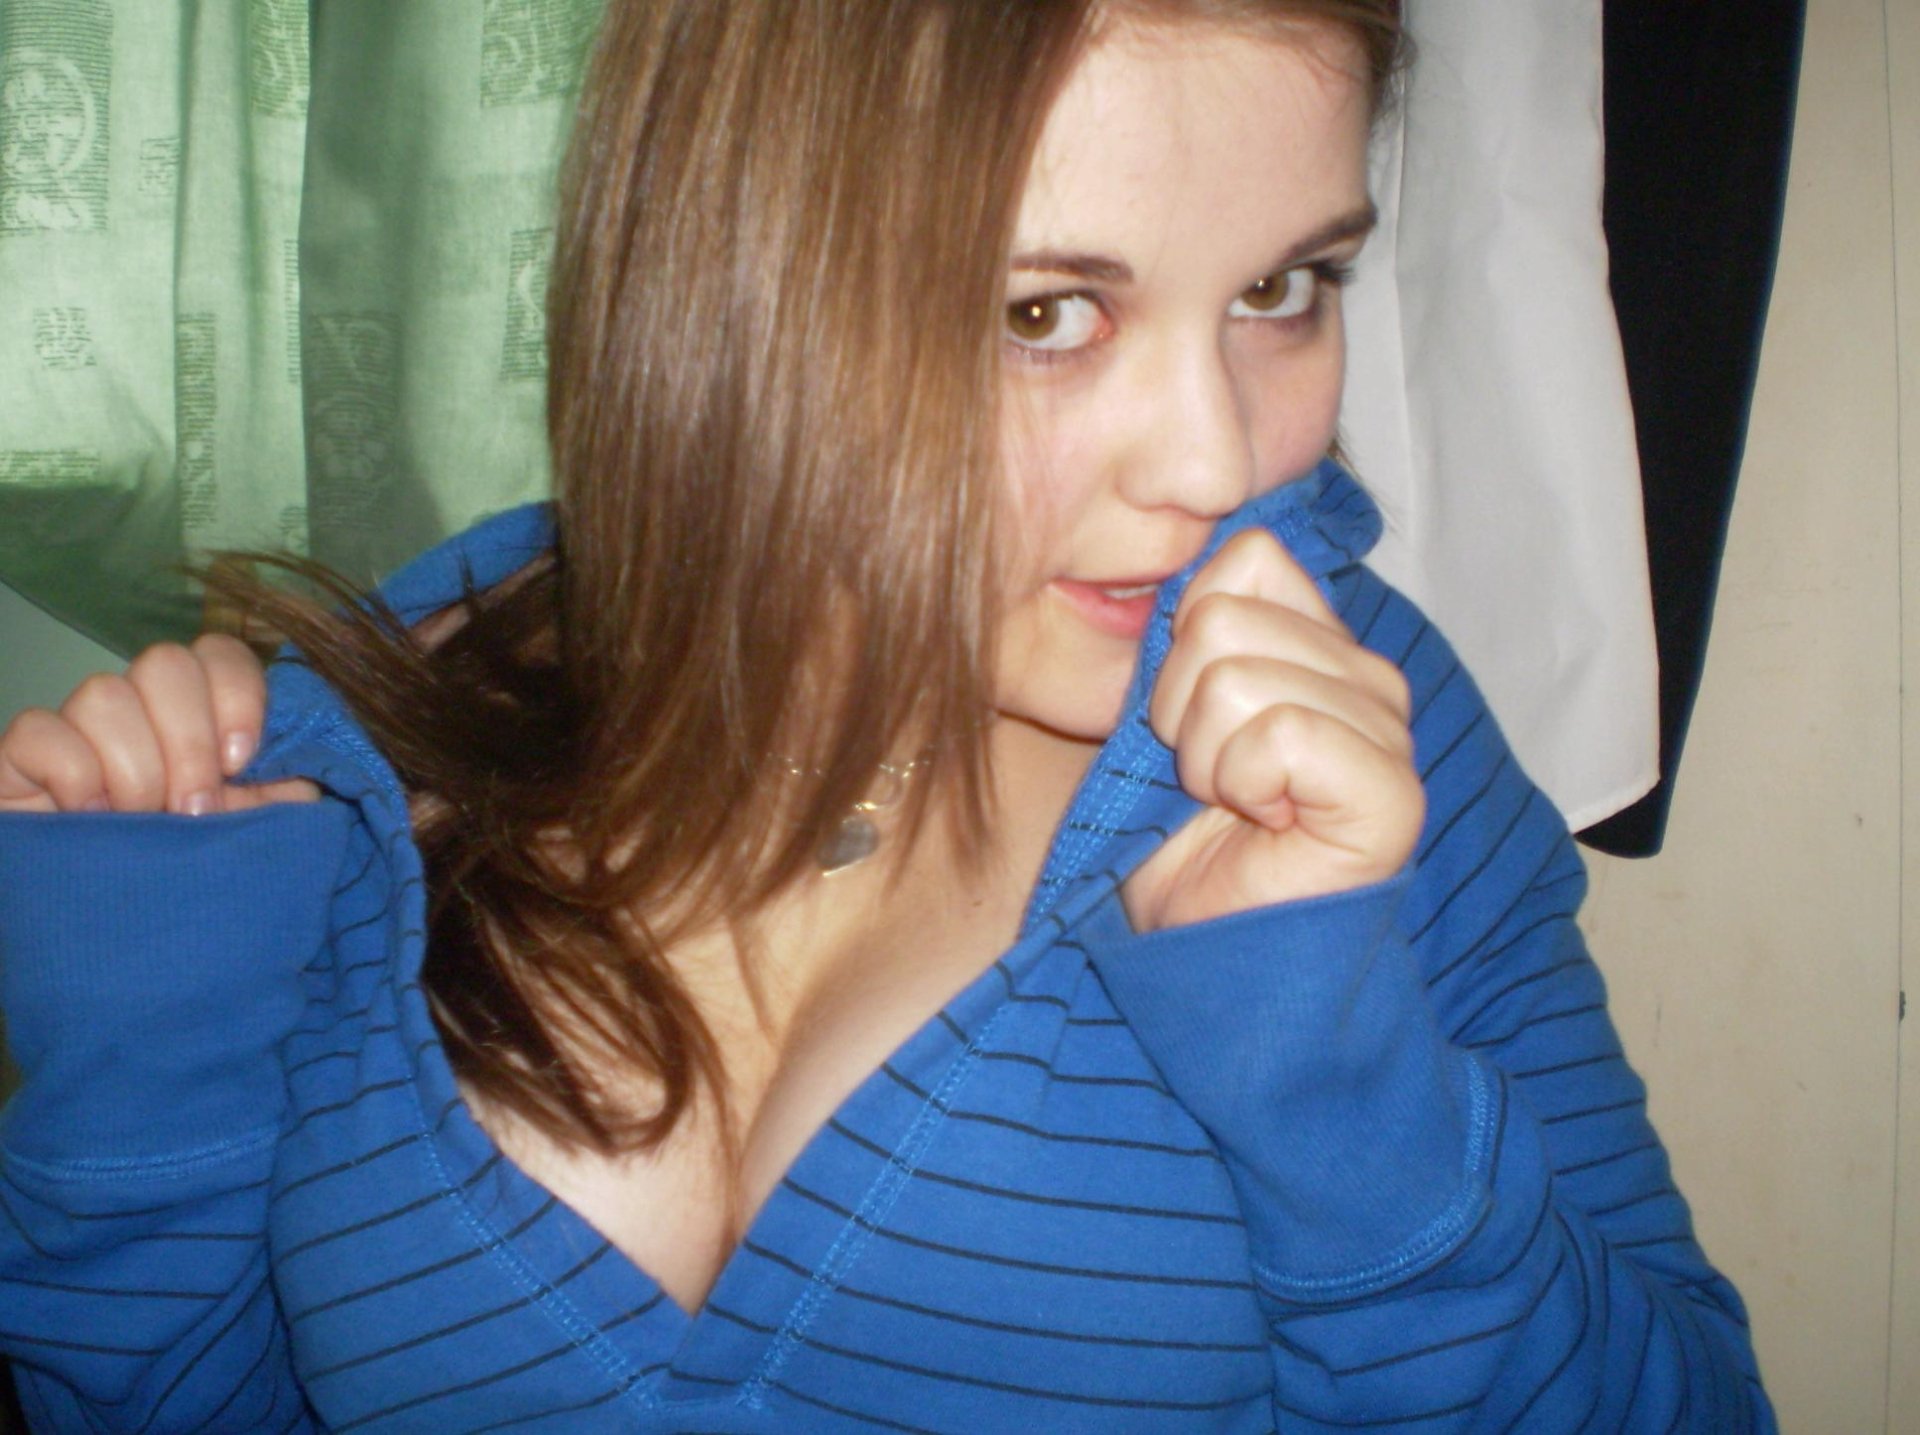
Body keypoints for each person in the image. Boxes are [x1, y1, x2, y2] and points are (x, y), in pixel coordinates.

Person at [0, 0, 1773, 1429]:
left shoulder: (1353, 740)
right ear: (734, 281)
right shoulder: (392, 725)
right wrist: (154, 1024)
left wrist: (1330, 1065)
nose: (1217, 462)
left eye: (1280, 290)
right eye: (1045, 311)